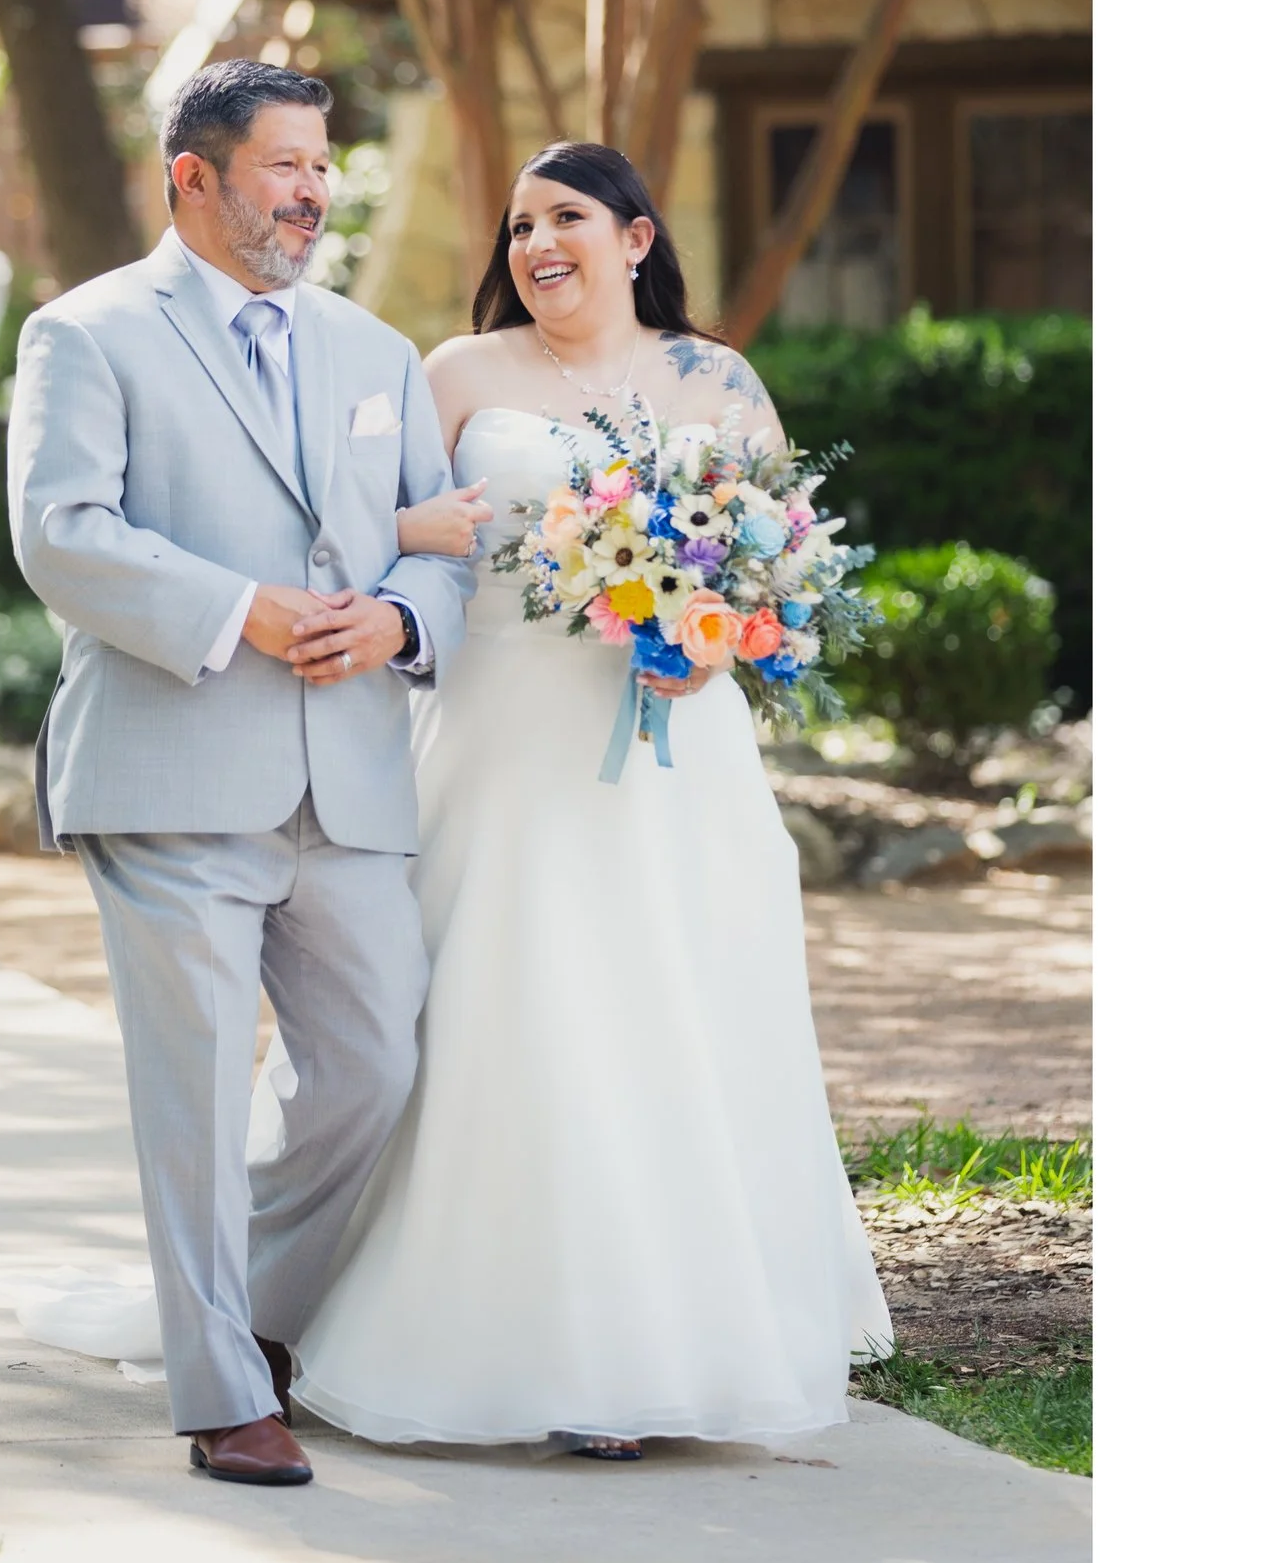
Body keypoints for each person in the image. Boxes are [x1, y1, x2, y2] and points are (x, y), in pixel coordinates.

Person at [279, 140, 894, 1458]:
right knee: (508, 1009)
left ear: (636, 237)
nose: (536, 245)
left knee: (669, 1016)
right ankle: (466, 1326)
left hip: (683, 758)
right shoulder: (458, 374)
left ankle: (668, 1345)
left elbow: (782, 561)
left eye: (565, 217)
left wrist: (716, 639)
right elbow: (365, 531)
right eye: (518, 227)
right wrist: (414, 552)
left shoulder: (718, 380)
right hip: (501, 738)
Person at [4, 60, 474, 1487]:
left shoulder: (378, 353)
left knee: (376, 1065)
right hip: (171, 768)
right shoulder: (85, 334)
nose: (314, 192)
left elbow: (437, 546)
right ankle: (223, 1391)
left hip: (350, 779)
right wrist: (241, 612)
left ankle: (254, 1312)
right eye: (285, 166)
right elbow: (62, 534)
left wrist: (399, 622)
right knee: (199, 1095)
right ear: (192, 178)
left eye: (323, 165)